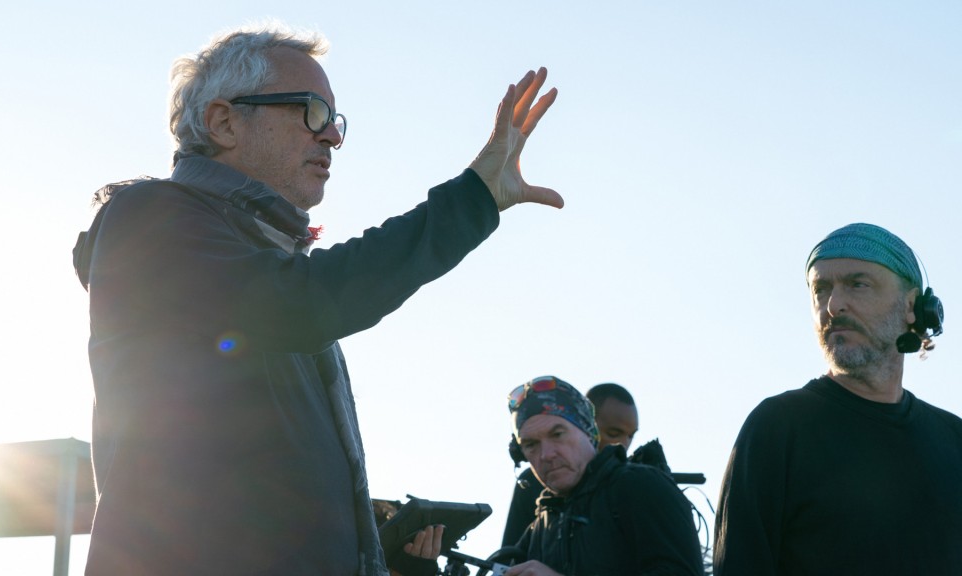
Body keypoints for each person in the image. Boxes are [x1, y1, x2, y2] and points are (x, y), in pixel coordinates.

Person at [72, 21, 562, 576]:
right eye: (311, 111)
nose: (330, 135)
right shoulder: (150, 219)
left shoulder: (270, 269)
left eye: (334, 120)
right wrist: (473, 199)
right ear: (224, 121)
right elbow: (299, 304)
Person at [713, 223, 961, 575]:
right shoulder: (777, 428)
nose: (833, 305)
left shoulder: (954, 439)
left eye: (858, 284)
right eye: (821, 289)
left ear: (911, 306)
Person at [504, 376, 705, 576]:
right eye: (531, 445)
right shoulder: (539, 529)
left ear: (589, 432)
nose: (546, 454)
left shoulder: (642, 487)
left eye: (557, 434)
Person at [502, 382, 639, 547]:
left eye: (630, 436)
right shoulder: (534, 486)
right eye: (613, 434)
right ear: (588, 427)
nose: (623, 445)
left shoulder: (637, 484)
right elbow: (507, 562)